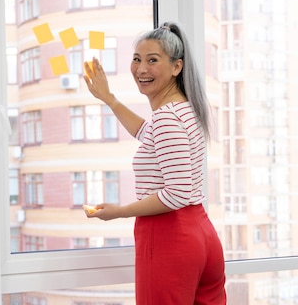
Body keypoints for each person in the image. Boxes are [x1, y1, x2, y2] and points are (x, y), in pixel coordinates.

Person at [83, 22, 227, 304]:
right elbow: (145, 132)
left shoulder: (166, 118)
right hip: (201, 234)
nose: (141, 69)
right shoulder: (185, 109)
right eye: (136, 59)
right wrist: (109, 99)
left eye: (152, 60)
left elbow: (176, 193)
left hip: (170, 236)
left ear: (176, 67)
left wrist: (120, 211)